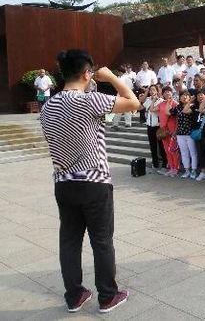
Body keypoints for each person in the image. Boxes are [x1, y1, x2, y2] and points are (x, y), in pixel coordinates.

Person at [40, 49, 135, 313]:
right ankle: (107, 296)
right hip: (94, 182)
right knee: (101, 240)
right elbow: (133, 102)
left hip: (63, 183)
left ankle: (74, 295)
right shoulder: (90, 100)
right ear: (86, 73)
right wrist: (112, 77)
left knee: (69, 241)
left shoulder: (47, 107)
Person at [170, 90, 199, 179]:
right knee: (184, 153)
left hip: (190, 133)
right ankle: (187, 170)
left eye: (186, 95)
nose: (184, 97)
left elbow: (186, 111)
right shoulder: (177, 107)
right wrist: (169, 100)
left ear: (190, 97)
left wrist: (190, 102)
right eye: (182, 96)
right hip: (180, 133)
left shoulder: (193, 106)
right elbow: (169, 112)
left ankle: (193, 170)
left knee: (193, 153)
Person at [143, 85, 168, 174]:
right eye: (150, 90)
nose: (152, 91)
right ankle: (155, 164)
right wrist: (151, 99)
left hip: (158, 126)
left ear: (157, 91)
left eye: (153, 90)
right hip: (150, 126)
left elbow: (154, 110)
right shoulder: (148, 100)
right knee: (152, 146)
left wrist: (154, 100)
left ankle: (165, 164)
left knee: (161, 146)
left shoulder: (161, 101)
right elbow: (146, 107)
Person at [157, 87, 180, 177]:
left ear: (172, 93)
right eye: (165, 92)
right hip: (163, 130)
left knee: (173, 150)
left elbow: (177, 118)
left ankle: (176, 168)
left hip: (172, 129)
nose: (167, 93)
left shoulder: (175, 103)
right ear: (163, 94)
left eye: (169, 92)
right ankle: (171, 167)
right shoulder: (161, 104)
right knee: (167, 150)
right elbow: (151, 109)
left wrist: (175, 130)